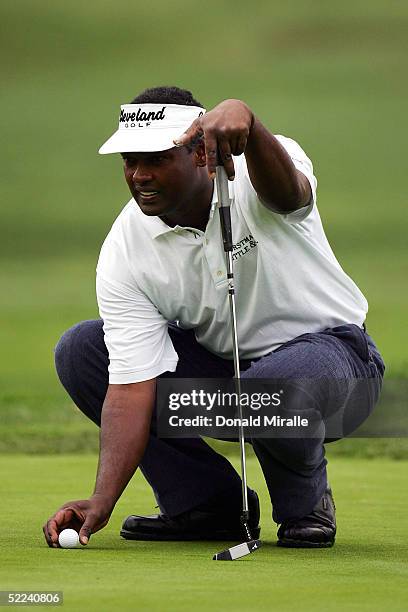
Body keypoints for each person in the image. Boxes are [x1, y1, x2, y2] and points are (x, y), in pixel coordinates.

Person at [43, 86, 385, 550]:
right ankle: (206, 505)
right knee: (83, 350)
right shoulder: (125, 249)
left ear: (202, 152)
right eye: (130, 161)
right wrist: (102, 499)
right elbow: (130, 387)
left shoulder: (262, 166)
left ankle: (305, 507)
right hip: (228, 382)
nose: (140, 175)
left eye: (157, 159)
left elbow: (289, 198)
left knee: (272, 383)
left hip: (337, 367)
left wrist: (250, 121)